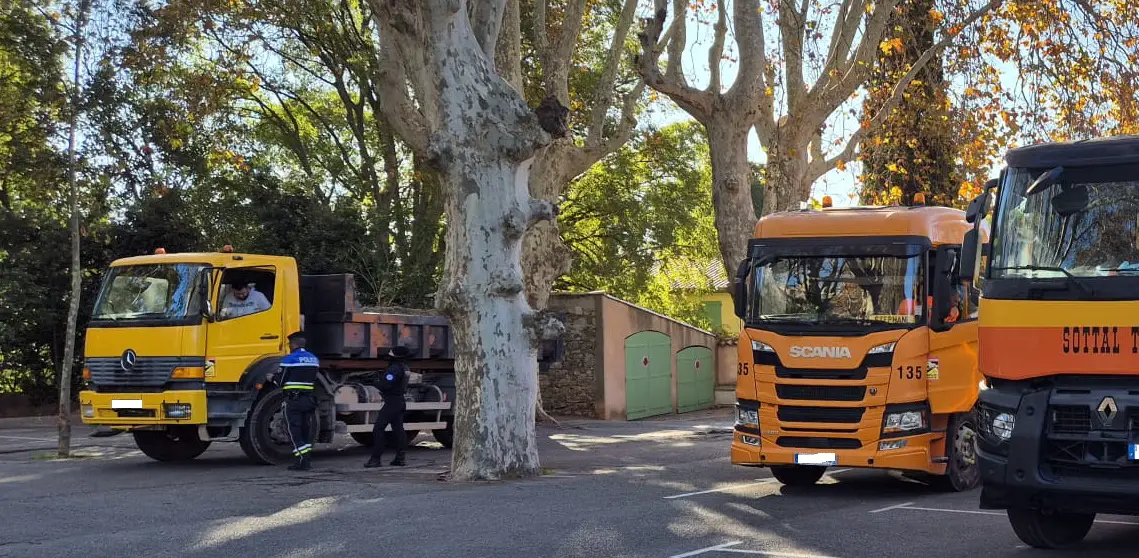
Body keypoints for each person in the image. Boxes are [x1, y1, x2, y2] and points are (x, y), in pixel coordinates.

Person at [276, 331, 320, 471]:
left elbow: (281, 381)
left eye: (289, 344)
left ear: (293, 344)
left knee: (294, 431)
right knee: (305, 430)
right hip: (309, 400)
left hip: (294, 401)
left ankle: (302, 461)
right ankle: (305, 460)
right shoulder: (314, 359)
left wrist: (272, 377)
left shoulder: (289, 359)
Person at [365, 345, 412, 468]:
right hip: (399, 402)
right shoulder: (405, 367)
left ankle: (375, 459)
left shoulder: (394, 368)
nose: (389, 356)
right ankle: (400, 458)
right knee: (398, 430)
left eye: (391, 354)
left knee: (378, 429)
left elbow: (386, 385)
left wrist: (372, 381)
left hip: (392, 402)